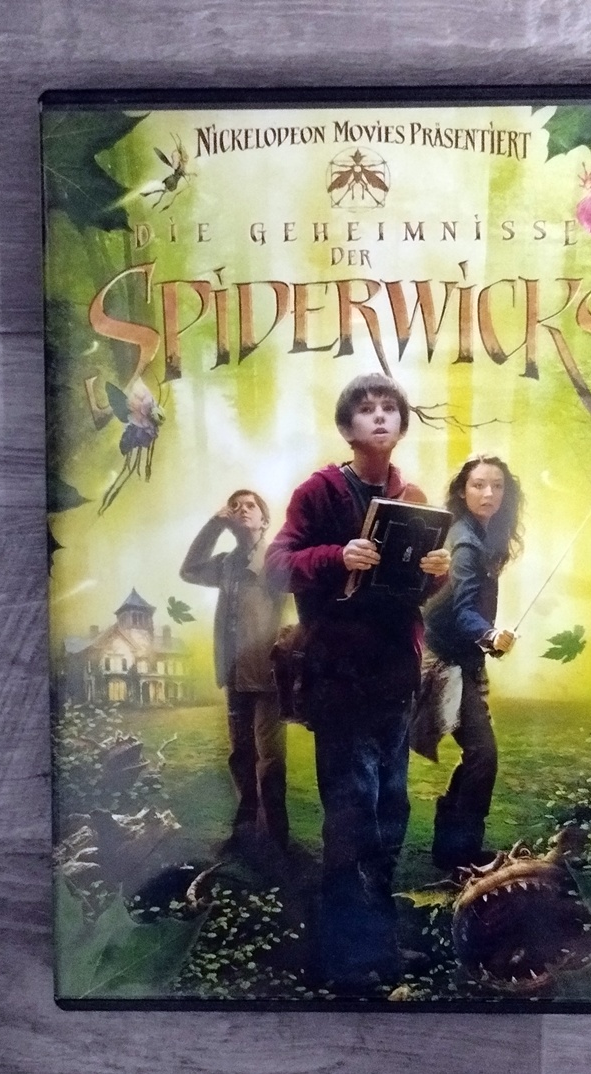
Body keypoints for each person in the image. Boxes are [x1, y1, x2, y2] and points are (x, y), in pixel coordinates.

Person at [264, 373, 449, 991]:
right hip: (338, 679)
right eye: (366, 409)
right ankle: (344, 959)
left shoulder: (410, 497)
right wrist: (335, 556)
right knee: (351, 817)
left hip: (394, 679)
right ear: (347, 428)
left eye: (390, 408)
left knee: (390, 814)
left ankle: (380, 947)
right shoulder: (318, 492)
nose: (379, 416)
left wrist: (436, 572)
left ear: (402, 424)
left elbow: (412, 590)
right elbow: (276, 565)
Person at [422, 454, 523, 870]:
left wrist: (489, 639)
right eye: (479, 485)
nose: (488, 493)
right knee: (483, 754)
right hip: (442, 660)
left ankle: (453, 847)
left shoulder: (481, 534)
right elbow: (462, 610)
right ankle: (458, 850)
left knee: (480, 755)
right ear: (463, 492)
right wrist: (489, 635)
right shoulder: (463, 542)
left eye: (497, 486)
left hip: (462, 657)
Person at [180, 489, 289, 852]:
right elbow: (189, 570)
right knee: (241, 756)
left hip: (268, 674)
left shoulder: (276, 559)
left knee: (270, 760)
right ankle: (245, 834)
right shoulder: (225, 563)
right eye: (235, 506)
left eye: (250, 505)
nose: (242, 510)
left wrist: (287, 657)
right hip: (234, 675)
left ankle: (275, 838)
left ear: (264, 519)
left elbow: (293, 610)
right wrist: (215, 524)